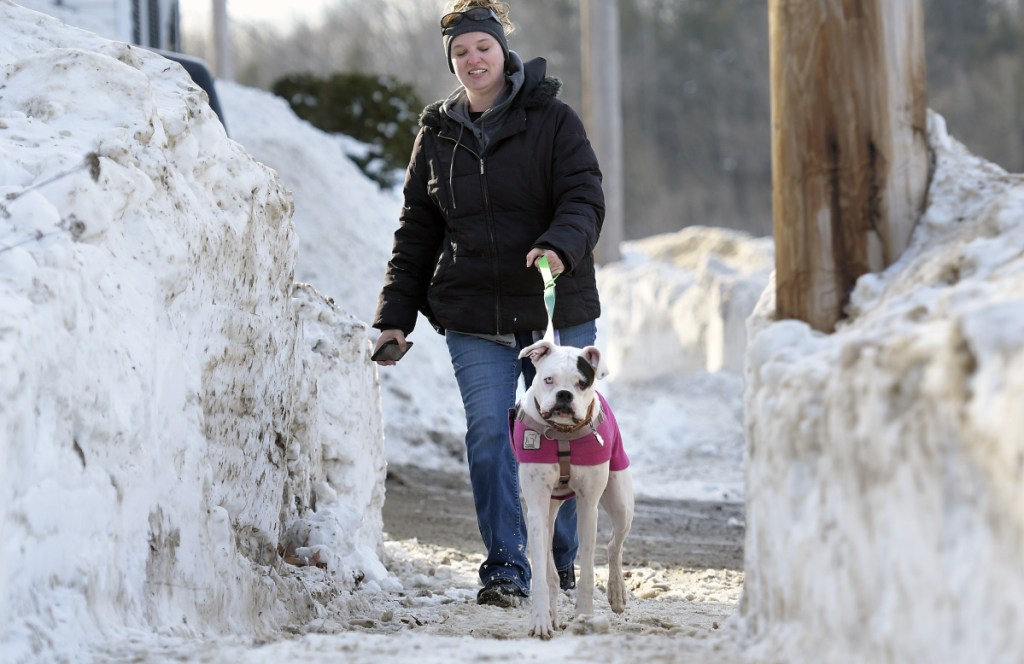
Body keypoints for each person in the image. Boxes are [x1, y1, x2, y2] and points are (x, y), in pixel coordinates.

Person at [371, 0, 605, 609]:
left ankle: (561, 555)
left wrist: (558, 246)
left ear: (504, 50)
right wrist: (394, 316)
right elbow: (416, 231)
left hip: (555, 308)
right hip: (474, 316)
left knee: (568, 434)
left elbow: (584, 197)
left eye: (483, 47)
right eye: (460, 52)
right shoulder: (437, 134)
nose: (473, 59)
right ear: (451, 61)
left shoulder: (552, 119)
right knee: (490, 433)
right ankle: (506, 566)